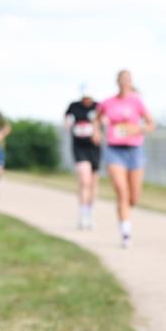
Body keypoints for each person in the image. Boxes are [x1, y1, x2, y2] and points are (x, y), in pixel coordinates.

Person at [95, 70, 155, 248]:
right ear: (117, 82)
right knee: (122, 191)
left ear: (130, 82)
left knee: (133, 197)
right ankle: (125, 233)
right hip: (114, 150)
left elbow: (151, 124)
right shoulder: (108, 102)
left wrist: (138, 129)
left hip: (134, 150)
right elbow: (96, 120)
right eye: (121, 80)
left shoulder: (137, 102)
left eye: (127, 80)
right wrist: (97, 132)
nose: (124, 83)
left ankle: (125, 214)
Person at [65, 85, 102, 230]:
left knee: (93, 183)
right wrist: (69, 123)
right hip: (79, 148)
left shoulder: (99, 107)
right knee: (84, 180)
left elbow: (105, 122)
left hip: (94, 149)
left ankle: (90, 213)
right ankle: (83, 214)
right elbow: (67, 120)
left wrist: (98, 131)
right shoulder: (74, 106)